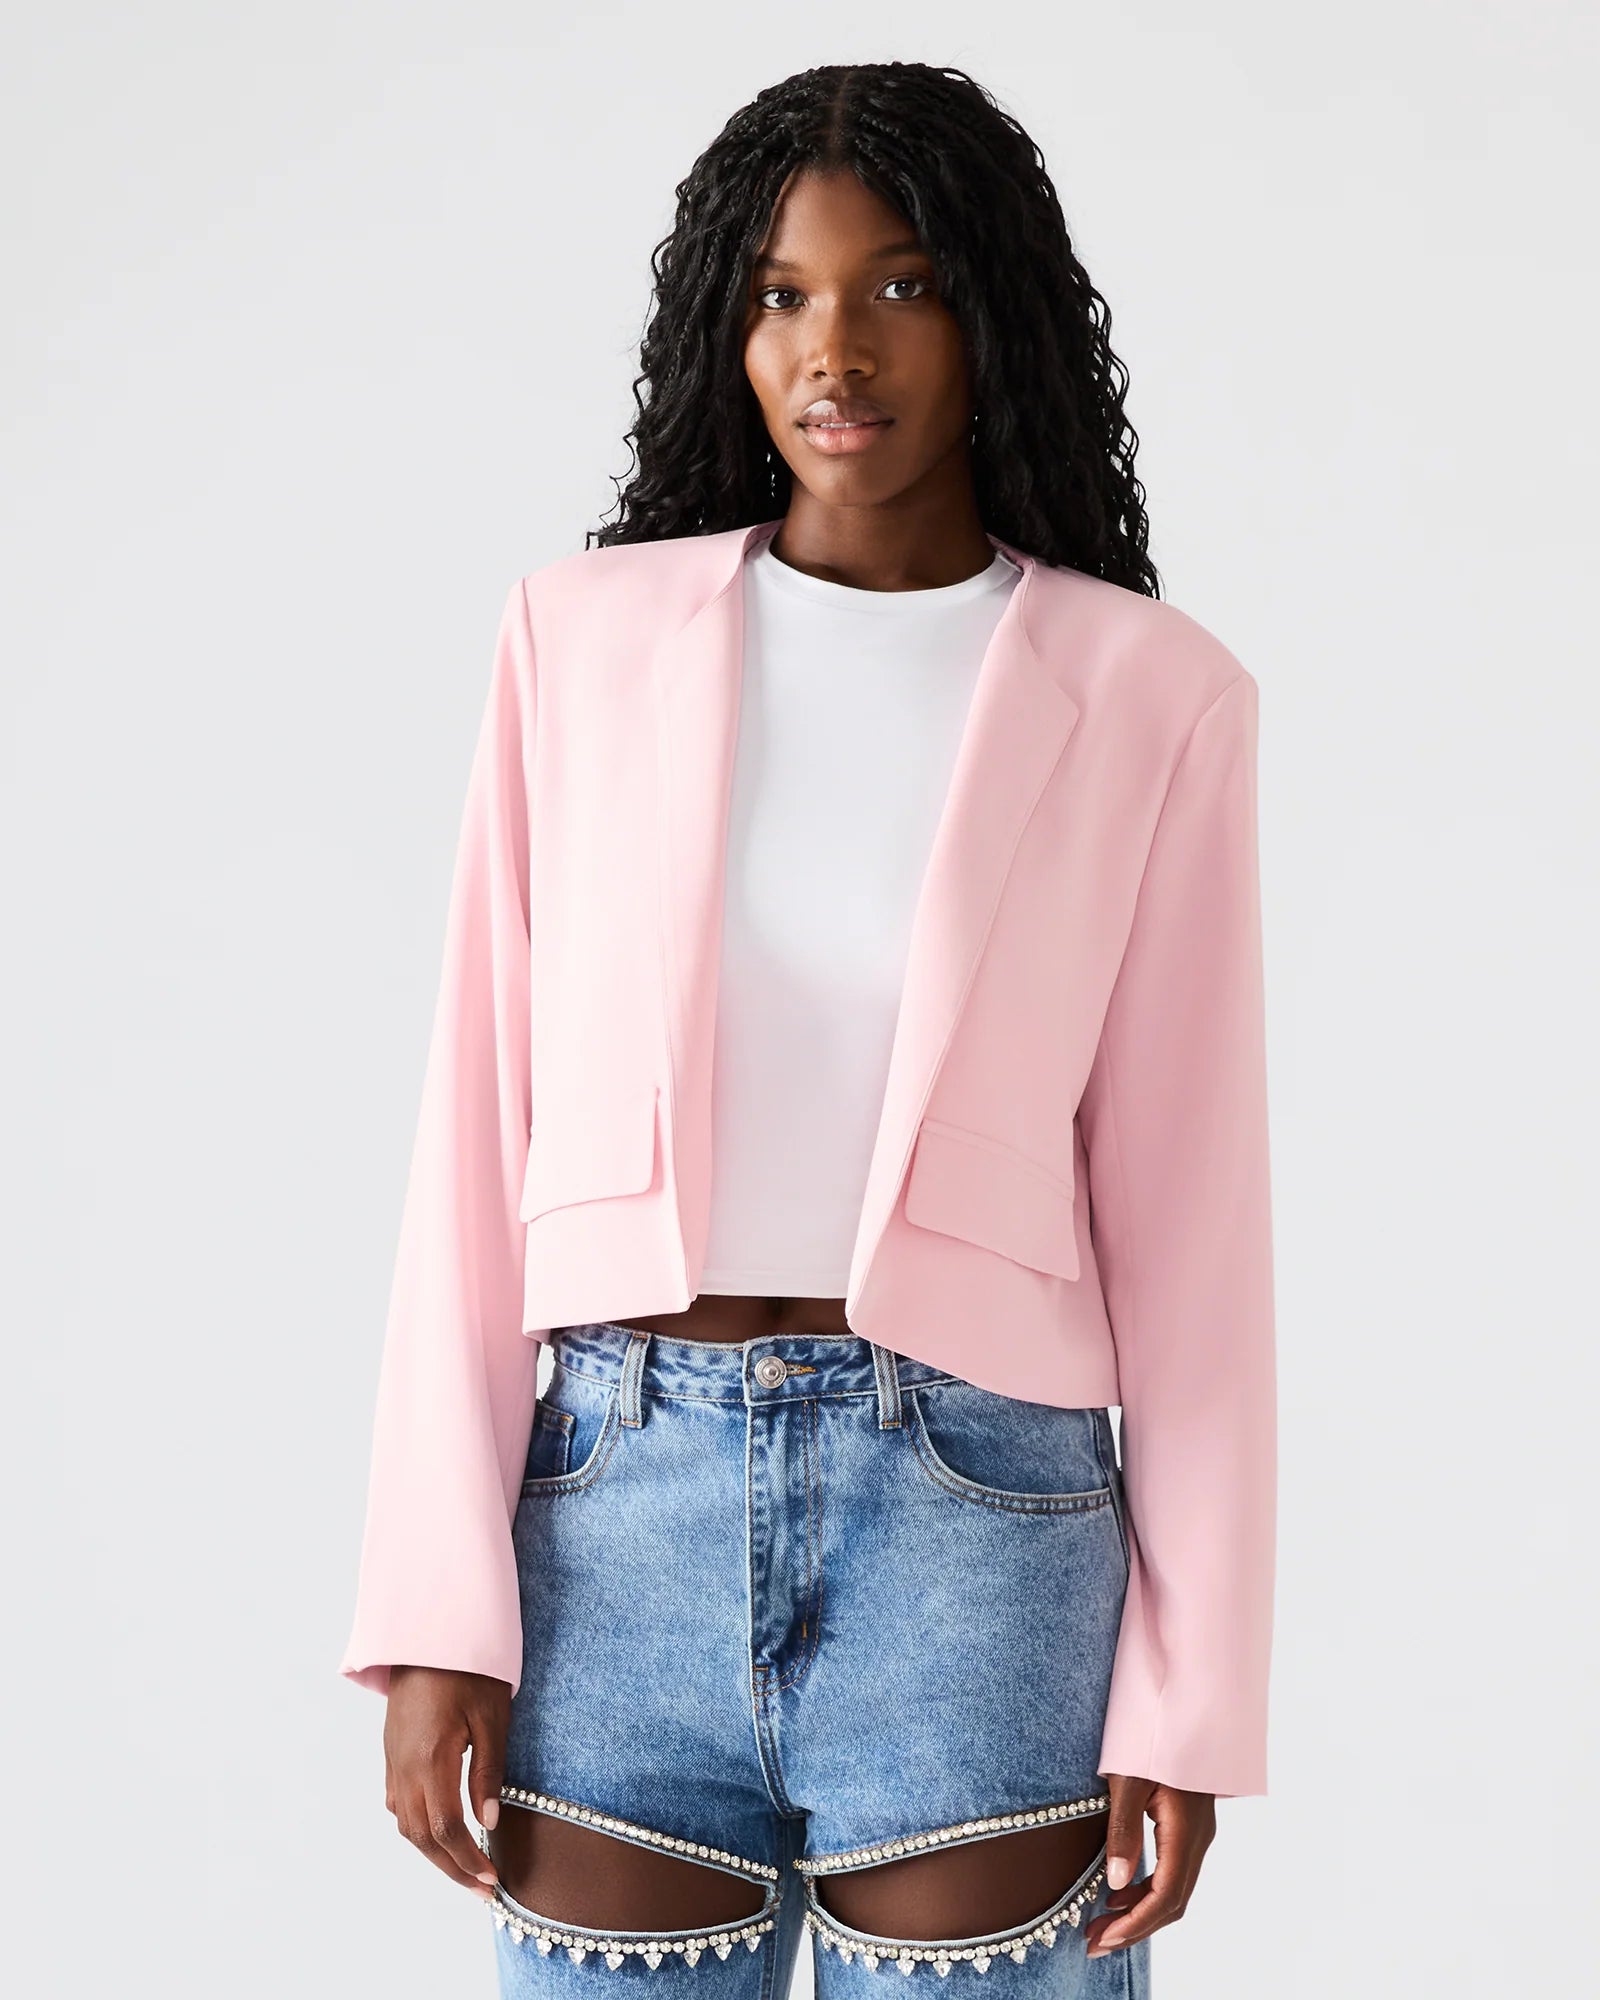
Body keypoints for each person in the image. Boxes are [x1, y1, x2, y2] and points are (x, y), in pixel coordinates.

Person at [339, 61, 1276, 2000]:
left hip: (976, 1521)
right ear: (728, 328)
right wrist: (436, 1604)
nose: (833, 349)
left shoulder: (1149, 693)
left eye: (900, 286)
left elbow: (1193, 1219)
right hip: (611, 1512)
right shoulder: (578, 644)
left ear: (991, 317)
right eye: (780, 295)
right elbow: (475, 1134)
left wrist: (1189, 1690)